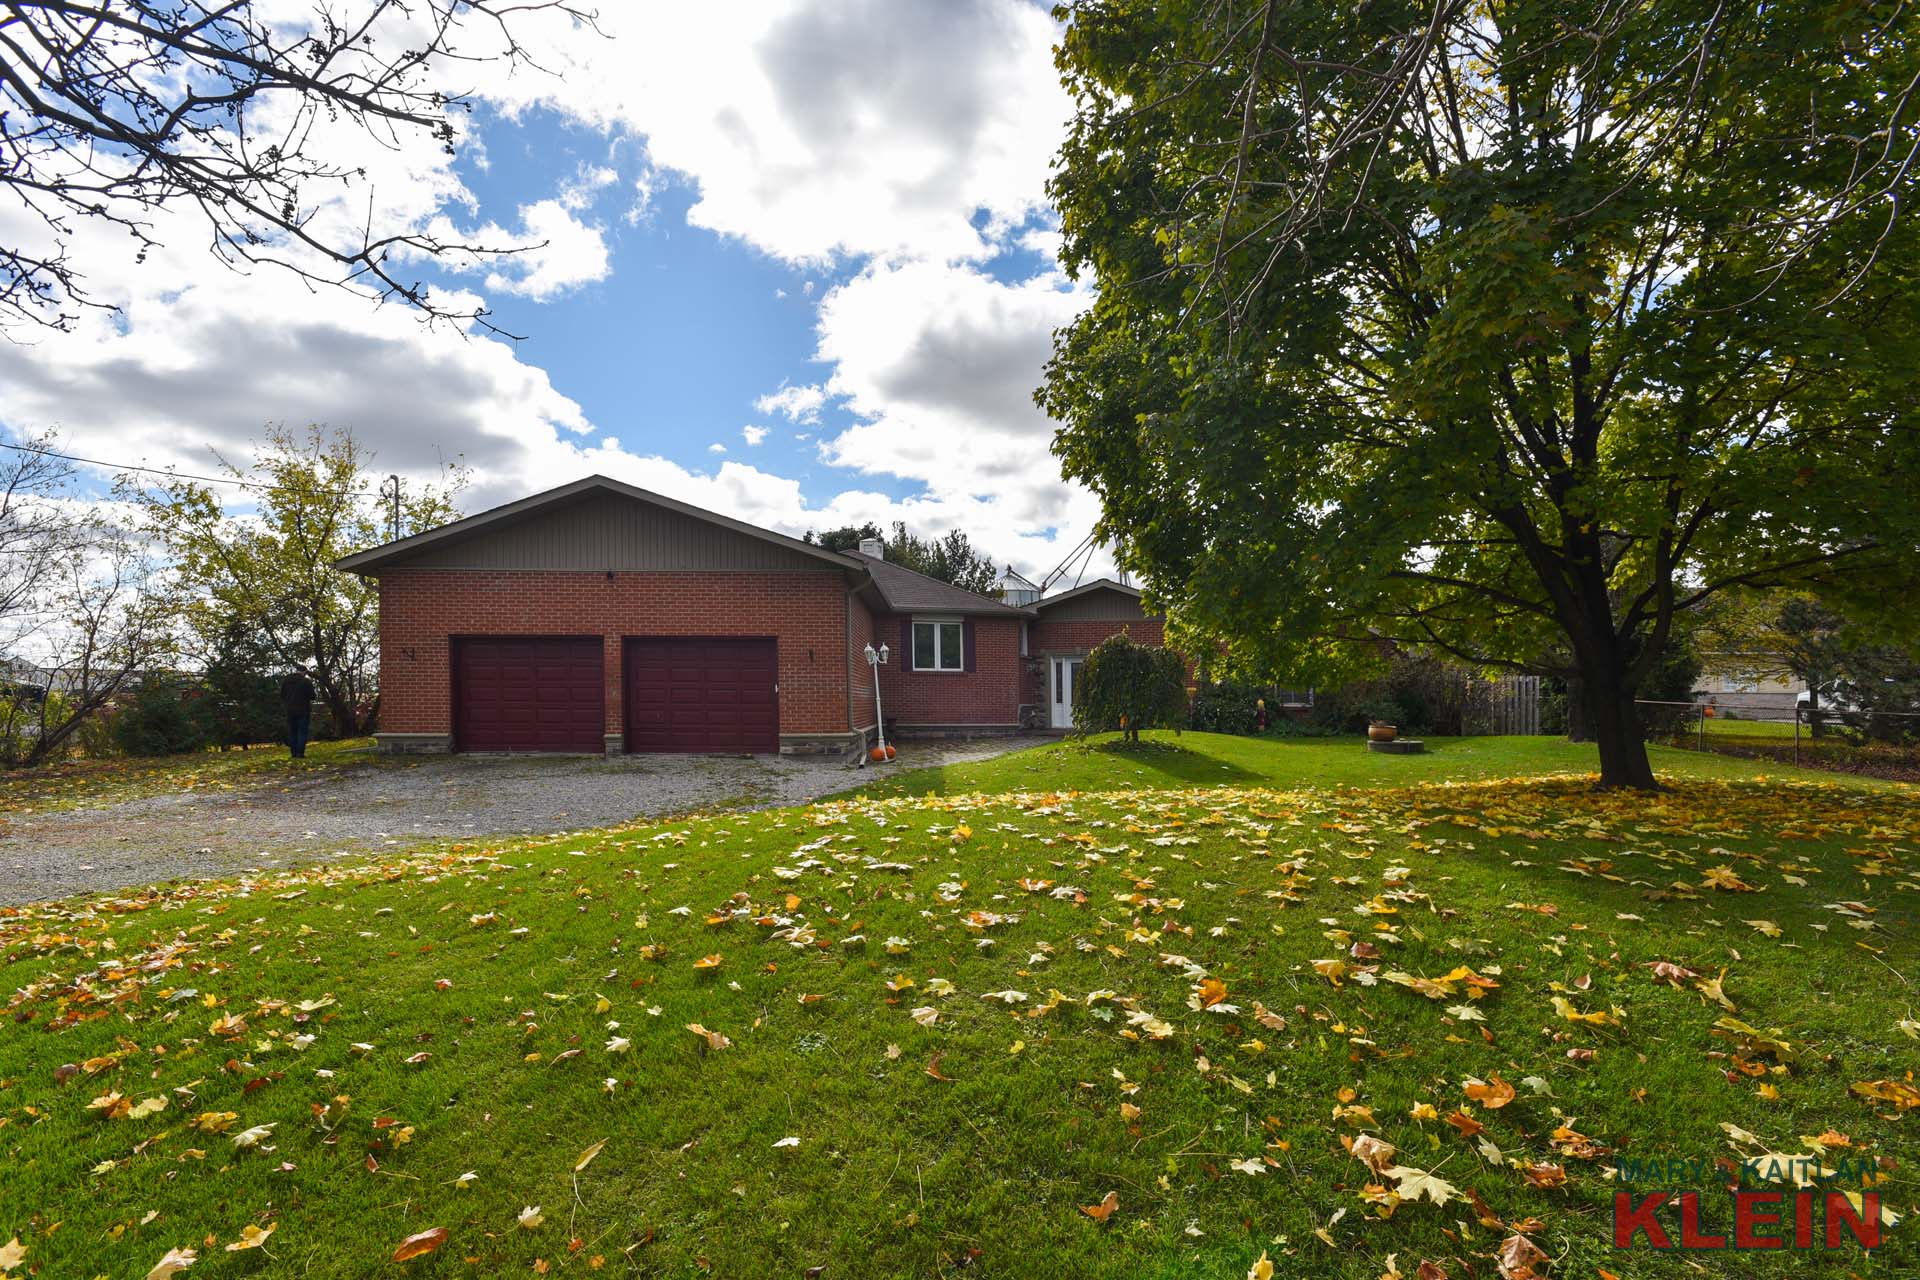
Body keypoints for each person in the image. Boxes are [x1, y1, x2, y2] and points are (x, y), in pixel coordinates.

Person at [280, 666, 317, 759]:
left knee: (292, 732)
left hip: (290, 710)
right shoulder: (306, 681)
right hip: (303, 709)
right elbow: (312, 696)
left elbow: (282, 695)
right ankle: (300, 753)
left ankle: (293, 753)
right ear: (304, 672)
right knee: (302, 732)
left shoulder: (286, 681)